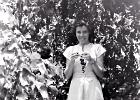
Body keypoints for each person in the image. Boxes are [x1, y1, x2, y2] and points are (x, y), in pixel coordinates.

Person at [63, 21, 106, 100]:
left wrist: (92, 61)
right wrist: (72, 61)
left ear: (89, 33)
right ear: (75, 33)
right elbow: (67, 76)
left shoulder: (97, 48)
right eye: (78, 32)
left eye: (85, 32)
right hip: (76, 86)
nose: (81, 35)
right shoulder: (70, 50)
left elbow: (101, 74)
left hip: (92, 87)